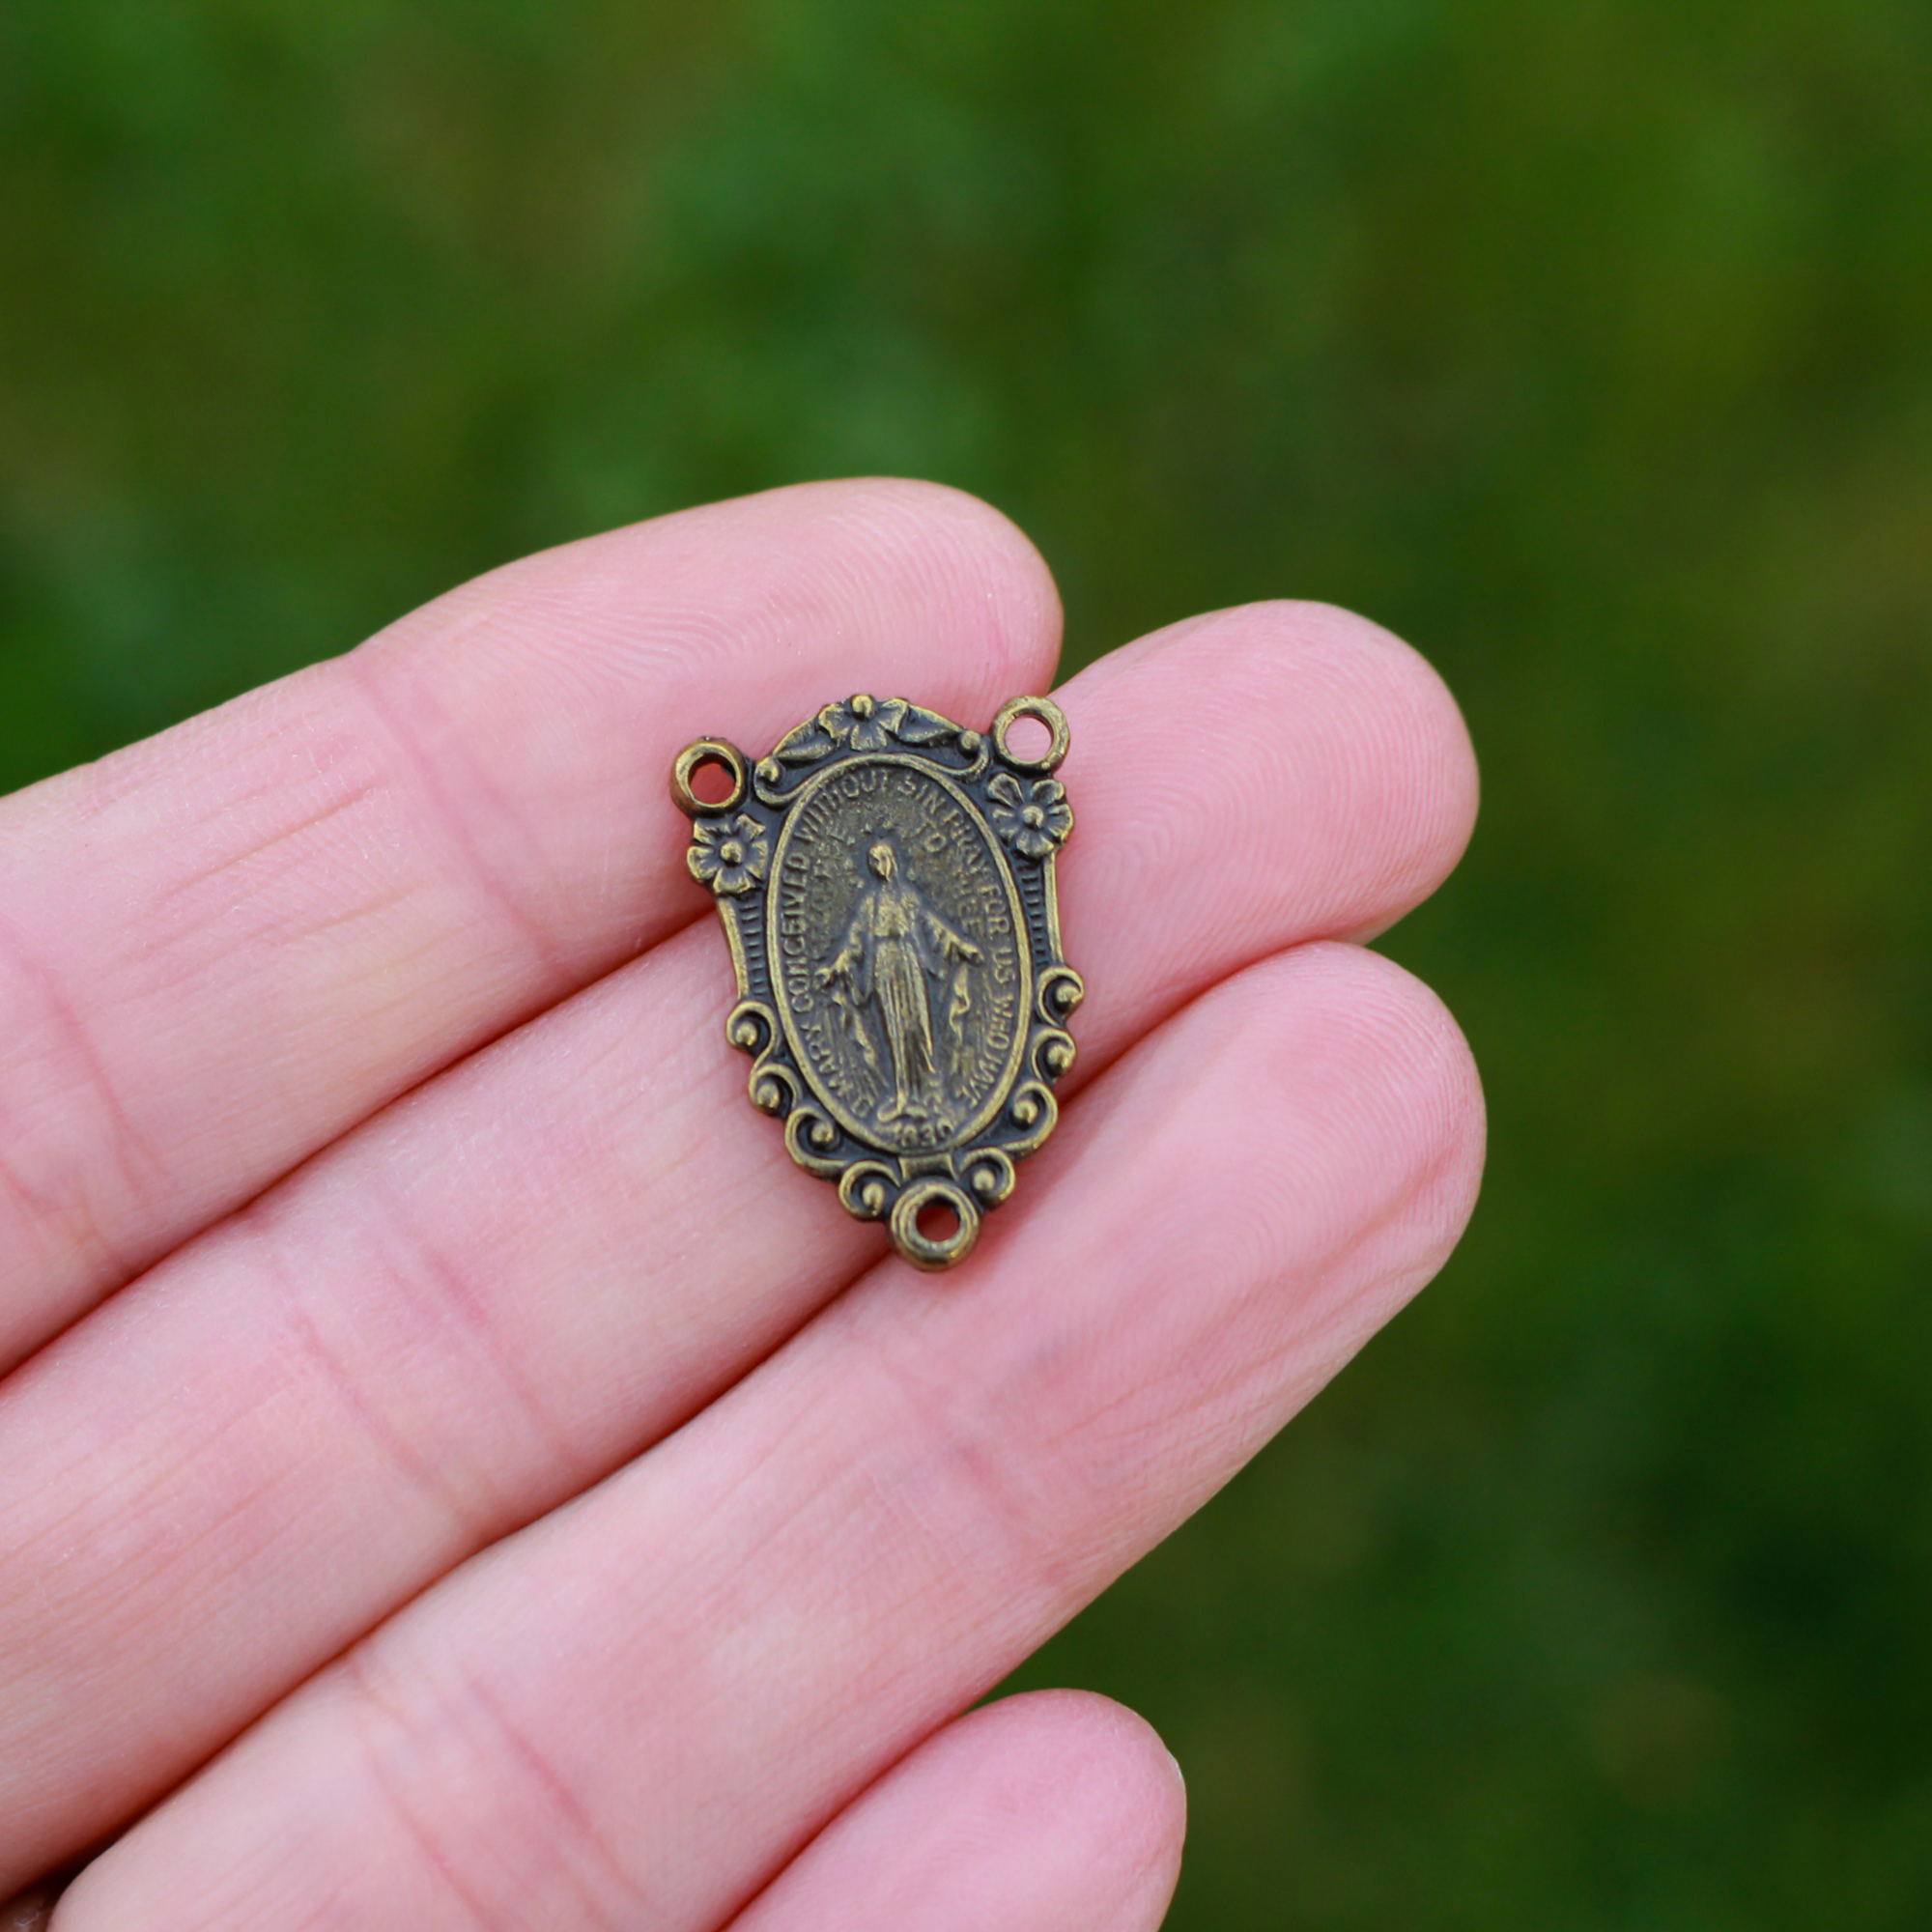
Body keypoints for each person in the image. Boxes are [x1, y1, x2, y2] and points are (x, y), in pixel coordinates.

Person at [0, 480, 1482, 1932]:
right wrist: (867, 959)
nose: (893, 862)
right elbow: (832, 969)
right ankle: (912, 1114)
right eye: (886, 857)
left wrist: (939, 962)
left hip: (931, 1004)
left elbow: (954, 955)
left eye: (898, 856)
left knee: (924, 1056)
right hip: (879, 997)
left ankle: (917, 1111)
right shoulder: (830, 869)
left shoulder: (913, 873)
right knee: (897, 1051)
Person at [818, 840, 982, 1127]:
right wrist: (836, 967)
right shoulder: (871, 905)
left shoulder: (908, 898)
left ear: (892, 861)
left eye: (883, 860)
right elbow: (855, 941)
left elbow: (933, 925)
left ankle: (930, 1094)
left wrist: (960, 946)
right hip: (883, 964)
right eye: (875, 863)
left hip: (909, 961)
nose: (880, 867)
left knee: (916, 1027)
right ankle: (904, 1096)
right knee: (894, 1030)